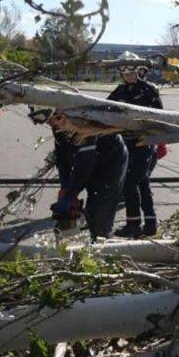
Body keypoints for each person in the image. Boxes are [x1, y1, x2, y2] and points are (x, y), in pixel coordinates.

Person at [42, 112, 128, 242]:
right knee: (69, 209)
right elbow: (62, 158)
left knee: (99, 208)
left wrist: (71, 194)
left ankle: (101, 241)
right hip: (88, 160)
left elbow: (84, 165)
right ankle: (71, 244)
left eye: (50, 120)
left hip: (110, 163)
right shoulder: (58, 126)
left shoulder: (83, 124)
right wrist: (65, 187)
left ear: (59, 114)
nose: (50, 124)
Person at [108, 65, 163, 238]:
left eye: (132, 73)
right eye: (125, 74)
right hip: (126, 143)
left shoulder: (149, 90)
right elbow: (106, 107)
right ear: (122, 75)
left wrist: (158, 139)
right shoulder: (120, 90)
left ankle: (133, 224)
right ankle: (150, 223)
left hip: (144, 143)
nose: (129, 76)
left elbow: (160, 115)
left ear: (137, 72)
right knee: (142, 183)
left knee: (130, 183)